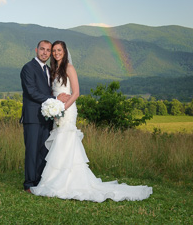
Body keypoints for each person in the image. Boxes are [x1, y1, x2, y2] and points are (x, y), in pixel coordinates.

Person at [30, 40, 153, 202]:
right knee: (59, 141)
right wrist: (55, 107)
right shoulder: (54, 69)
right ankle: (56, 179)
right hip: (57, 110)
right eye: (54, 51)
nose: (55, 53)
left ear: (65, 51)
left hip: (67, 110)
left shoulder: (69, 68)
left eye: (58, 50)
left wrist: (62, 108)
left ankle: (68, 181)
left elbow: (76, 93)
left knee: (66, 140)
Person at [20, 40, 70, 193]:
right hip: (32, 117)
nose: (45, 53)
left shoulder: (49, 69)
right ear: (36, 50)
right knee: (32, 151)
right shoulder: (28, 68)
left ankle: (39, 181)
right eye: (42, 49)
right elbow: (31, 92)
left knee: (44, 151)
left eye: (48, 50)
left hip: (47, 117)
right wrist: (55, 100)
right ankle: (29, 184)